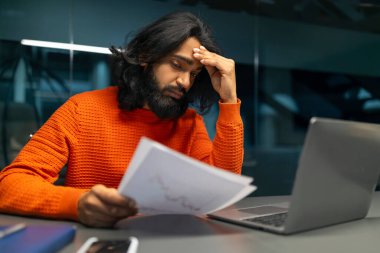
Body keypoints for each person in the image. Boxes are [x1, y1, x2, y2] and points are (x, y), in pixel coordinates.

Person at [0, 11, 243, 228]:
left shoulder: (189, 121)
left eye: (194, 74)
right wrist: (76, 204)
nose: (185, 82)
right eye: (177, 65)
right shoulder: (81, 109)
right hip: (99, 240)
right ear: (147, 56)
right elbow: (8, 185)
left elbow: (222, 190)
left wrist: (229, 101)